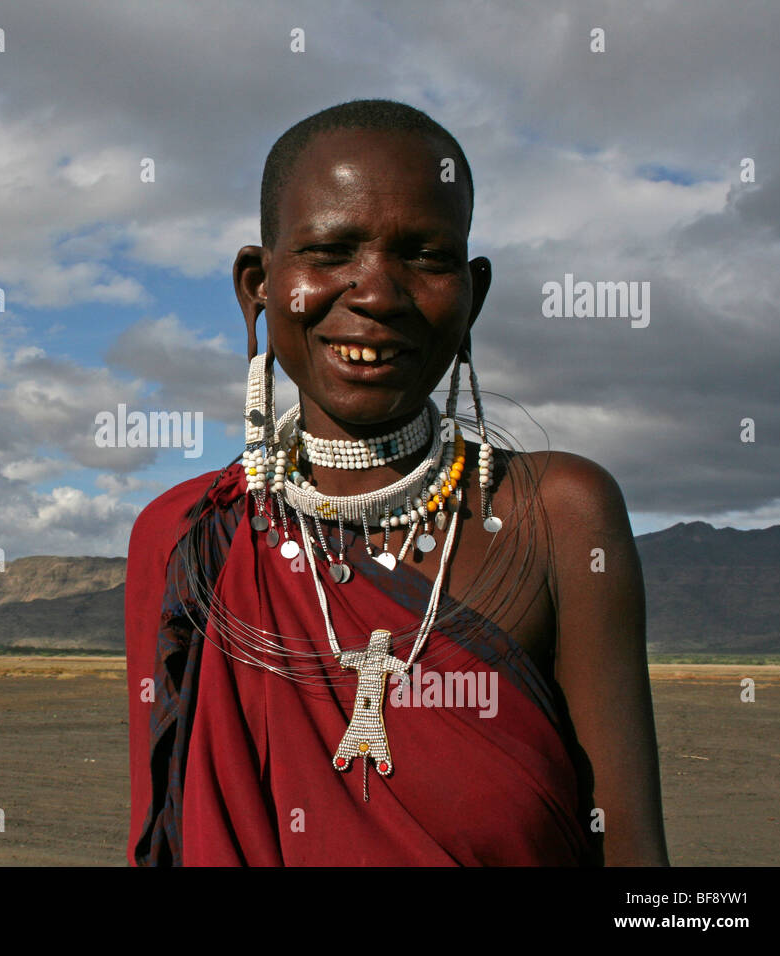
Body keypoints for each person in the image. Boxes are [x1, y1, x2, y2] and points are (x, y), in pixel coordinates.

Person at [124, 99, 669, 866]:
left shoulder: (560, 515)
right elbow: (163, 830)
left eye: (426, 256)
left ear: (473, 294)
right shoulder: (183, 535)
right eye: (329, 251)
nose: (377, 293)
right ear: (259, 284)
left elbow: (636, 859)